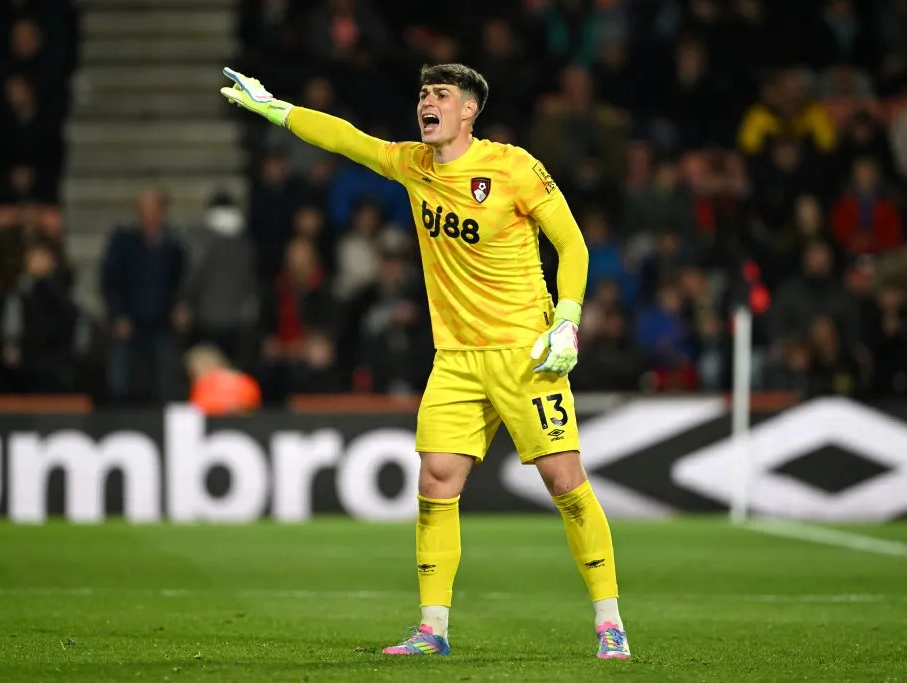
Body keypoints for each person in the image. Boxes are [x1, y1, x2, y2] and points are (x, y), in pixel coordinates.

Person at [220, 64, 630, 660]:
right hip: (457, 358)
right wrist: (278, 109)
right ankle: (432, 629)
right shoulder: (414, 164)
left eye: (441, 94)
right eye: (422, 94)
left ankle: (609, 622)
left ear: (470, 111)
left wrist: (567, 317)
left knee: (564, 480)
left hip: (524, 353)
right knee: (436, 479)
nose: (427, 103)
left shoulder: (513, 166)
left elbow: (572, 244)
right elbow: (347, 139)